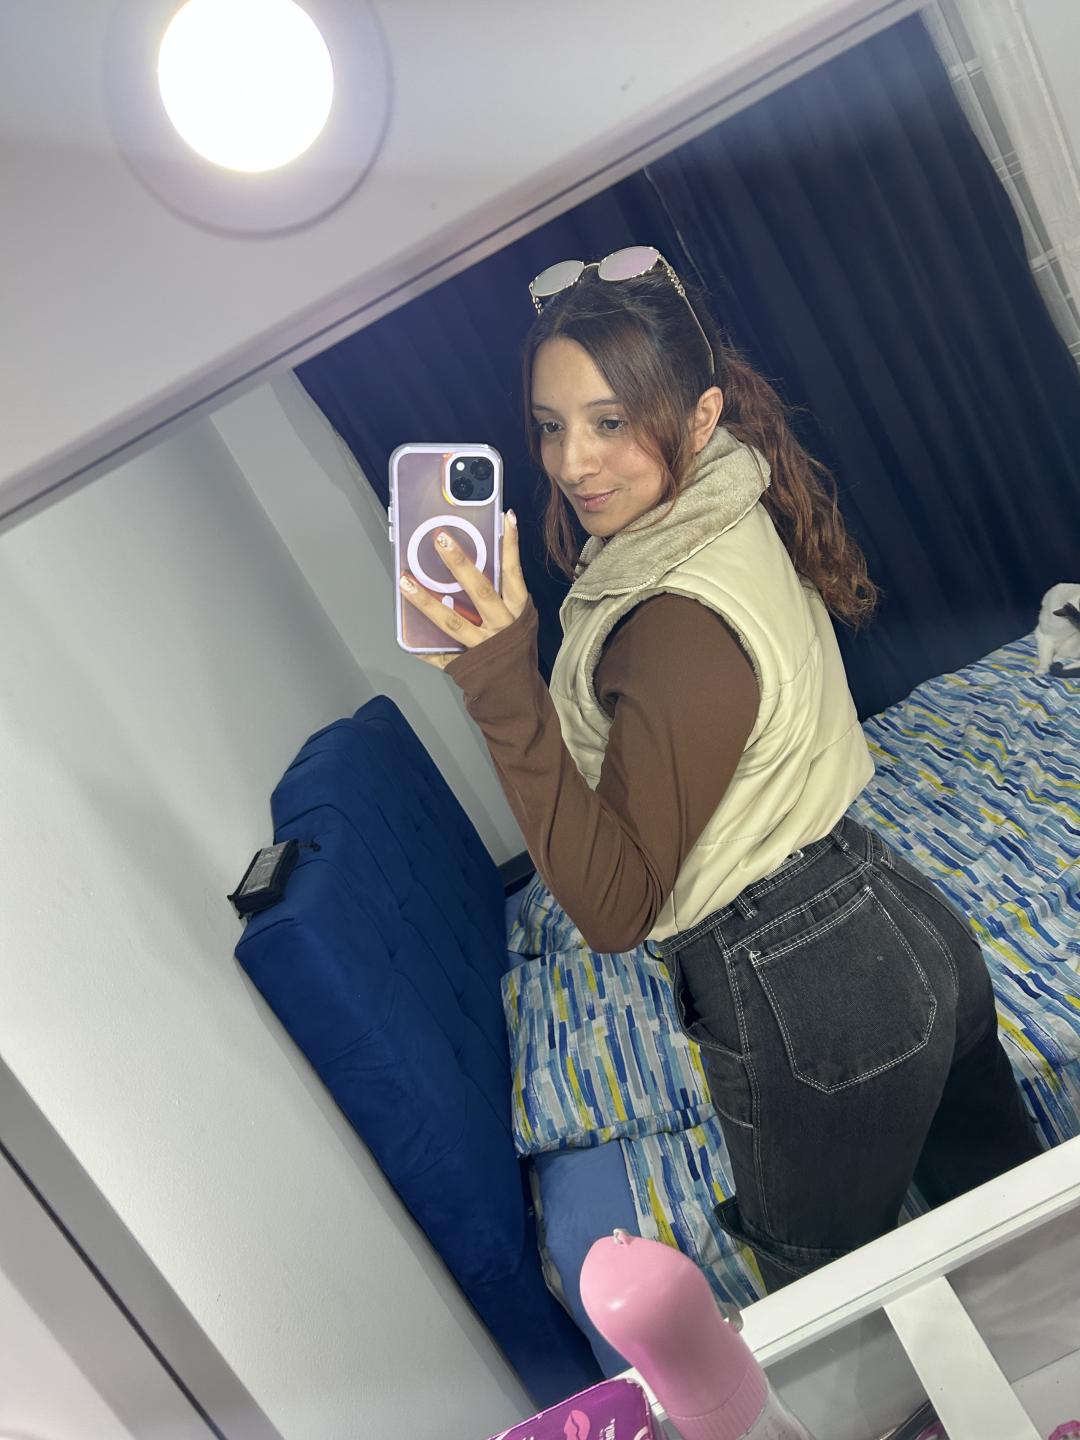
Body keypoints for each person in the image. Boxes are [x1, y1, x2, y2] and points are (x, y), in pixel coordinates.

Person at [398, 245, 1043, 1293]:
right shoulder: (717, 503)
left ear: (700, 417)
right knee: (1030, 1256)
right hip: (894, 909)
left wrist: (498, 683)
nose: (573, 462)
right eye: (552, 426)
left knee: (827, 1310)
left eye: (612, 421)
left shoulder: (675, 623)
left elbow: (616, 909)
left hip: (813, 993)